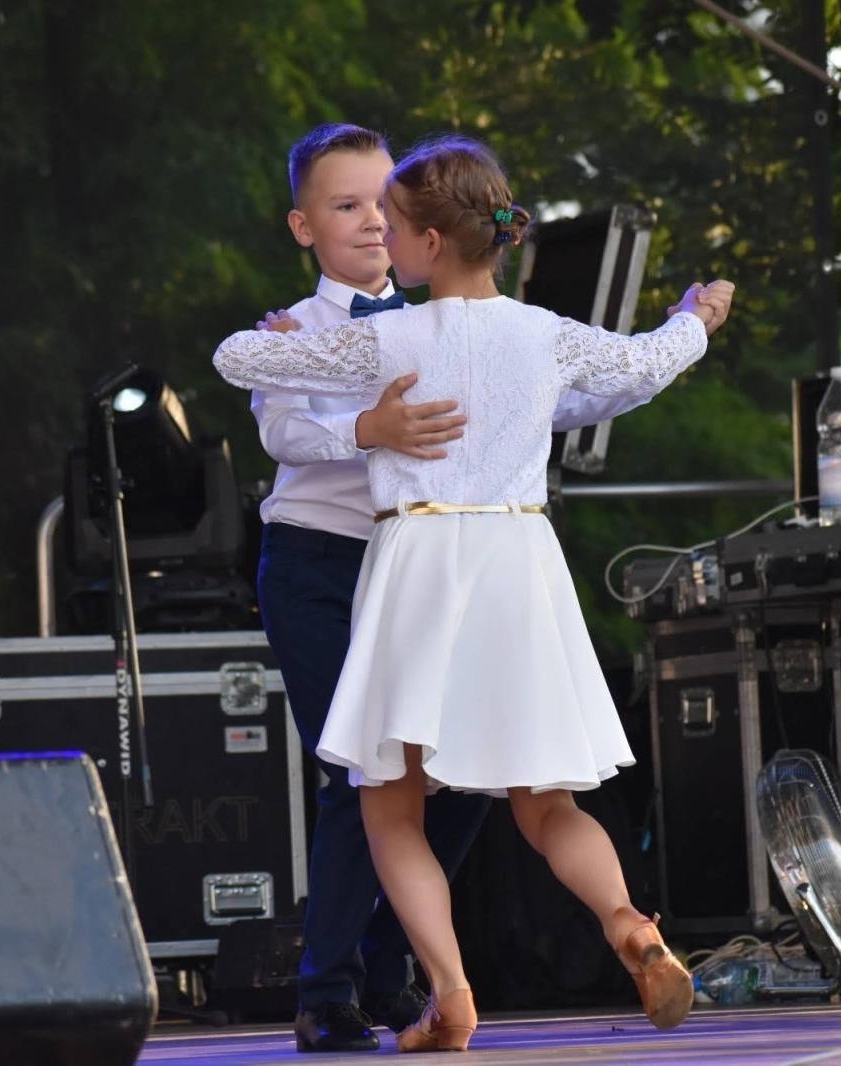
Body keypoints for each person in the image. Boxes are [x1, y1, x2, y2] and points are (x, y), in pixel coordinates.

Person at [218, 133, 735, 1052]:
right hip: (515, 566)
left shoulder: (387, 336)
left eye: (388, 214)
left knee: (388, 797)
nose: (376, 223)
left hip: (420, 565)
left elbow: (232, 362)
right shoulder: (541, 333)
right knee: (545, 801)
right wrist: (695, 317)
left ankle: (449, 990)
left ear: (420, 244)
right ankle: (628, 923)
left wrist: (286, 349)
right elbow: (644, 368)